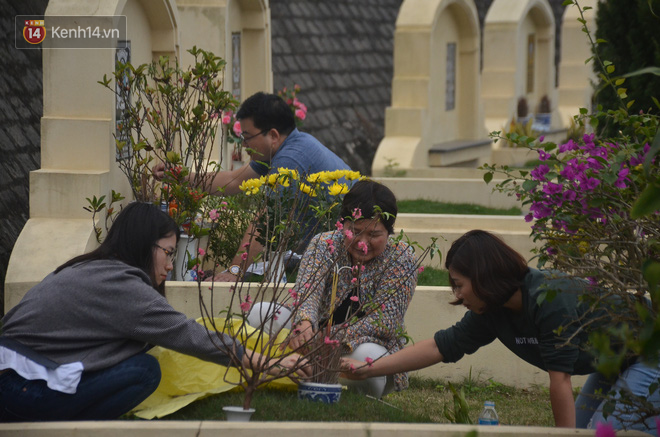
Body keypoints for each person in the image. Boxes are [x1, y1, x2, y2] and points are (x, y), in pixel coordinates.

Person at [0, 202, 309, 421]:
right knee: (143, 371)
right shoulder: (119, 285)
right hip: (18, 387)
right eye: (169, 253)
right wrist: (267, 363)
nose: (171, 264)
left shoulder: (95, 268)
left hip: (16, 378)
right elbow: (187, 334)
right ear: (143, 244)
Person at [341, 229, 660, 434]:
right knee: (588, 429)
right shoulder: (492, 310)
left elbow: (559, 382)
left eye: (459, 285)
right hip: (617, 360)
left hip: (650, 352)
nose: (458, 295)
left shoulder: (549, 300)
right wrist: (367, 368)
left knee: (610, 432)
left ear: (484, 277)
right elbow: (439, 347)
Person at [153, 91, 350, 281]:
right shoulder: (288, 146)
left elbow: (265, 221)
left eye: (247, 136)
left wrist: (234, 271)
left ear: (273, 135)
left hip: (350, 255)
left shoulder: (290, 159)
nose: (244, 145)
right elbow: (234, 180)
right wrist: (181, 176)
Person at [250, 179, 418, 398]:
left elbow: (384, 322)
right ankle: (287, 375)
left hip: (365, 346)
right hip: (314, 338)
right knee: (260, 314)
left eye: (374, 234)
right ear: (343, 224)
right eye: (355, 231)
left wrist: (325, 339)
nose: (362, 242)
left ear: (389, 231)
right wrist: (304, 324)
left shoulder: (402, 257)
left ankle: (350, 394)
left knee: (366, 354)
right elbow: (306, 293)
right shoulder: (324, 244)